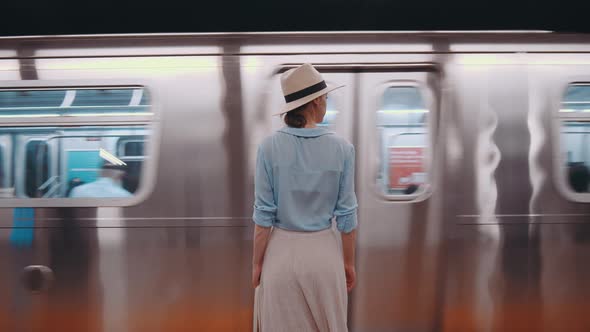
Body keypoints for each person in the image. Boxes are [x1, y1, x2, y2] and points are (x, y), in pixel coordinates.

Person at [252, 63, 358, 331]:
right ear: (317, 101)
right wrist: (348, 263)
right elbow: (347, 217)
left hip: (280, 256)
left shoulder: (268, 147)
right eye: (326, 98)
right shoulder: (343, 149)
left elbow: (263, 218)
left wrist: (257, 264)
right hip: (324, 255)